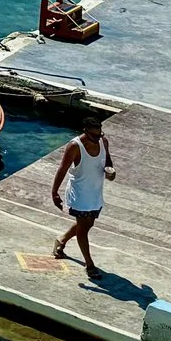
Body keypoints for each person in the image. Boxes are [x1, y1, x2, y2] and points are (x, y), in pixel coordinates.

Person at [51, 116, 115, 274]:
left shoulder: (103, 141)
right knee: (83, 229)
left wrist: (110, 171)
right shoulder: (75, 146)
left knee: (87, 224)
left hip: (95, 193)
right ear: (85, 131)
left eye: (99, 134)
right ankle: (90, 264)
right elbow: (63, 168)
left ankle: (61, 240)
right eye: (94, 135)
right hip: (79, 193)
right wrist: (55, 192)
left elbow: (107, 160)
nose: (97, 138)